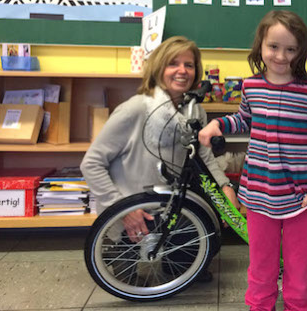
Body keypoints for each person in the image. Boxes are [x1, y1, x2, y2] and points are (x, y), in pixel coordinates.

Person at [199, 10, 307, 311]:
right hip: (259, 194)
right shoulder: (251, 87)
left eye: (290, 49)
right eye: (273, 46)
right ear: (261, 45)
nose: (281, 56)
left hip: (301, 199)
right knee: (261, 267)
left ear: (301, 51)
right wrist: (217, 124)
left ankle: (297, 306)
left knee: (298, 271)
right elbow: (243, 119)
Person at [81, 36, 239, 244]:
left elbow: (204, 156)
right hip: (131, 208)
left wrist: (225, 187)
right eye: (173, 63)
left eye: (188, 65)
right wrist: (123, 208)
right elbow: (91, 164)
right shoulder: (135, 109)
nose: (182, 70)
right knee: (126, 272)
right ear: (158, 68)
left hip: (170, 204)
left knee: (209, 240)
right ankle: (119, 248)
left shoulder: (194, 110)